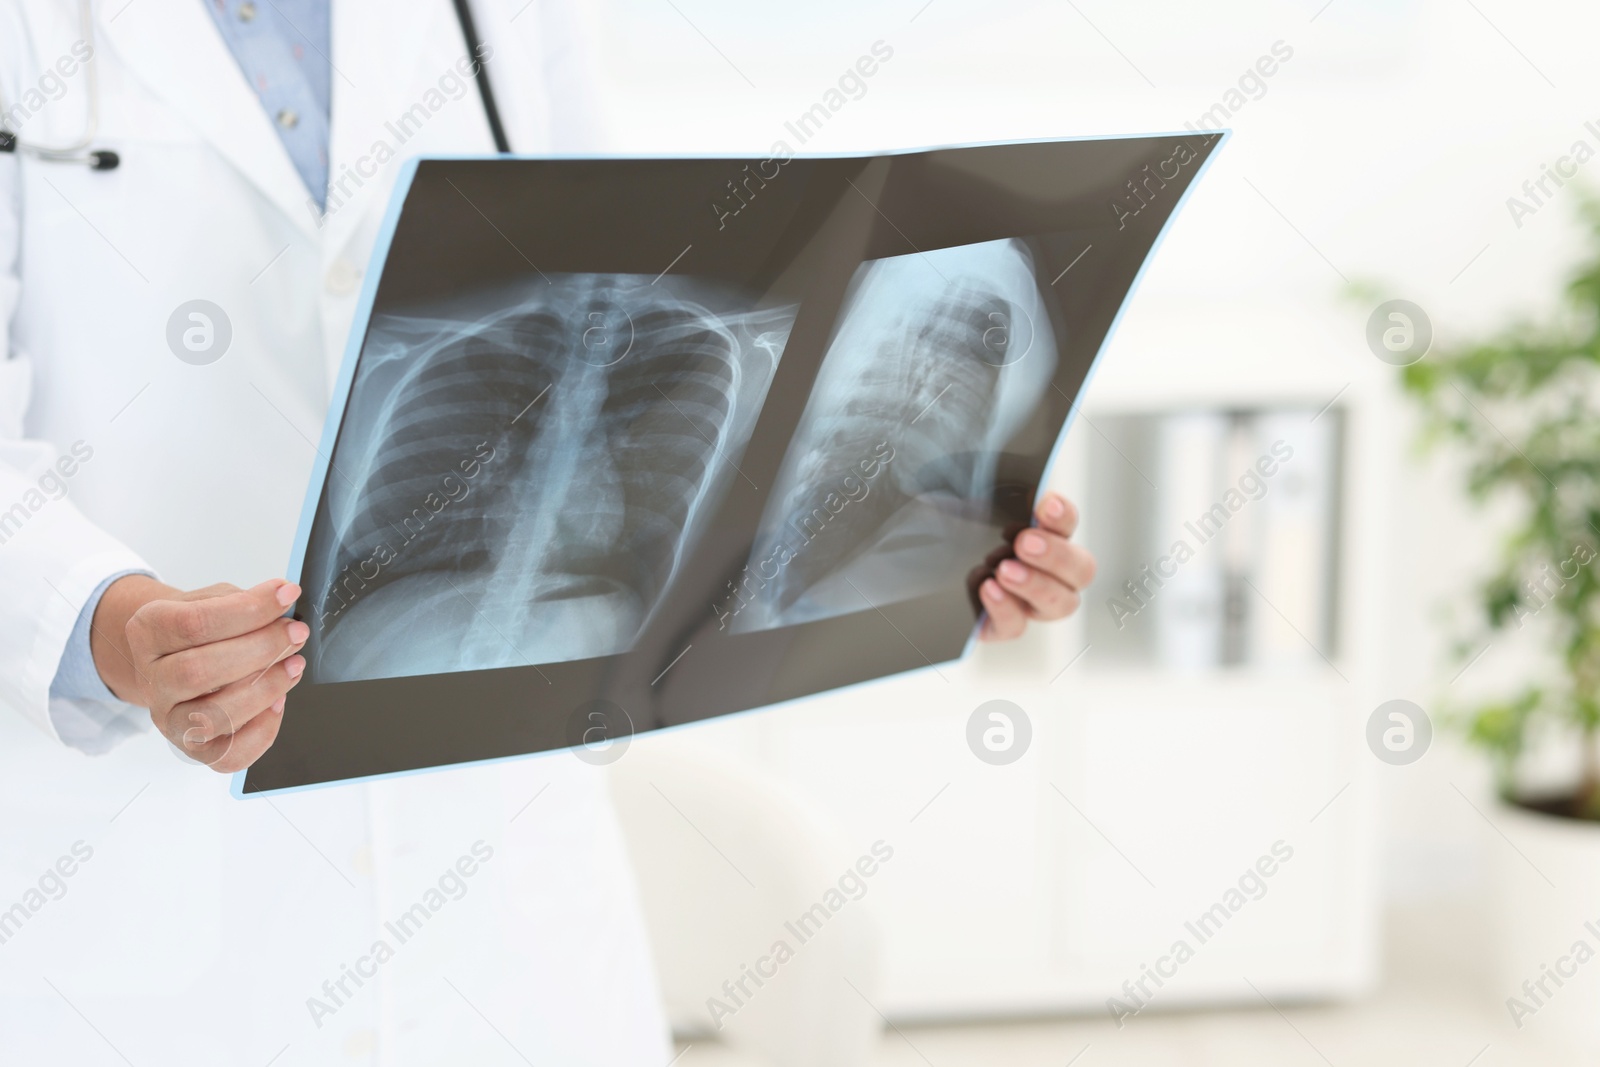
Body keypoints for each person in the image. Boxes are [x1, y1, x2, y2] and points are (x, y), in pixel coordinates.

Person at [0, 0, 1095, 1062]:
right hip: (138, 888)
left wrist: (927, 533)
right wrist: (106, 619)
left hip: (505, 910)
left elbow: (616, 319)